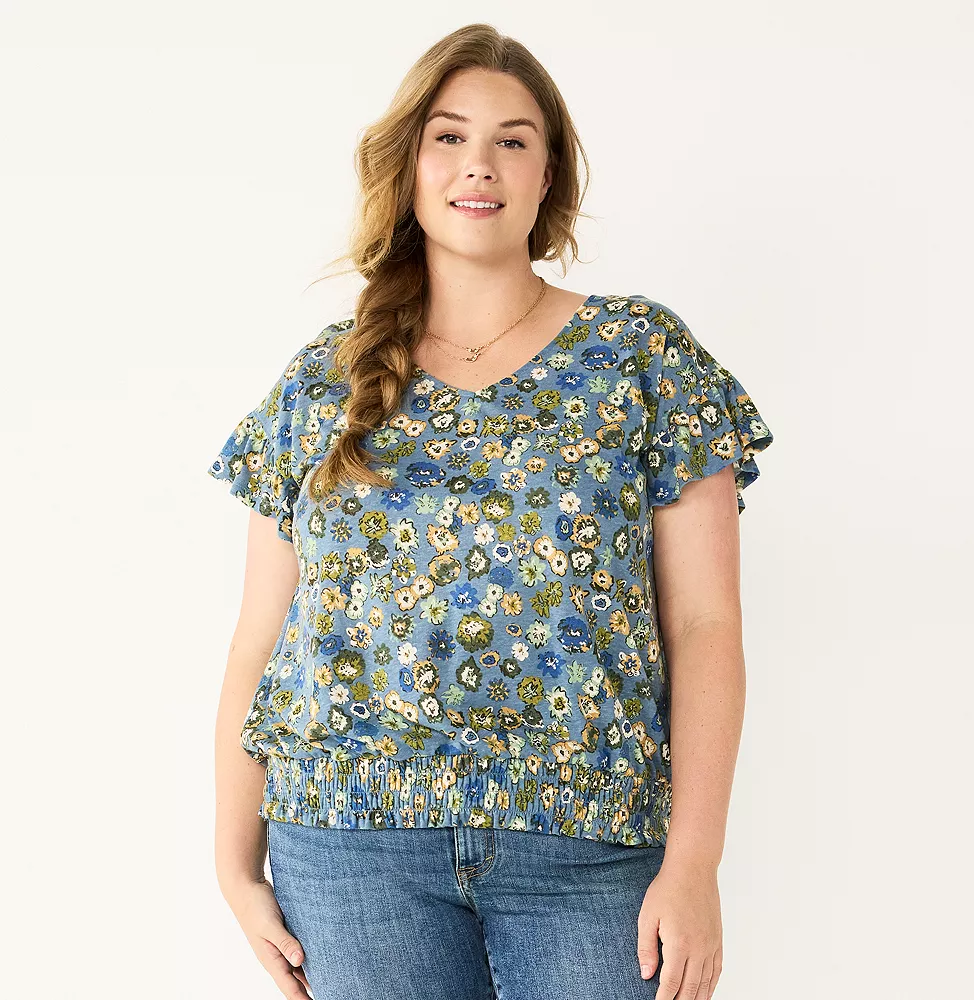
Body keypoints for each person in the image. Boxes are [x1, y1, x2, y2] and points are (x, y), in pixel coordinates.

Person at [206, 23, 774, 1000]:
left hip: (591, 844)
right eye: (449, 136)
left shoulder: (640, 357)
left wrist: (695, 863)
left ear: (548, 175)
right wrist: (232, 865)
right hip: (349, 848)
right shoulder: (322, 381)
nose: (480, 164)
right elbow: (262, 635)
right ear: (410, 165)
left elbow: (705, 623)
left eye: (512, 139)